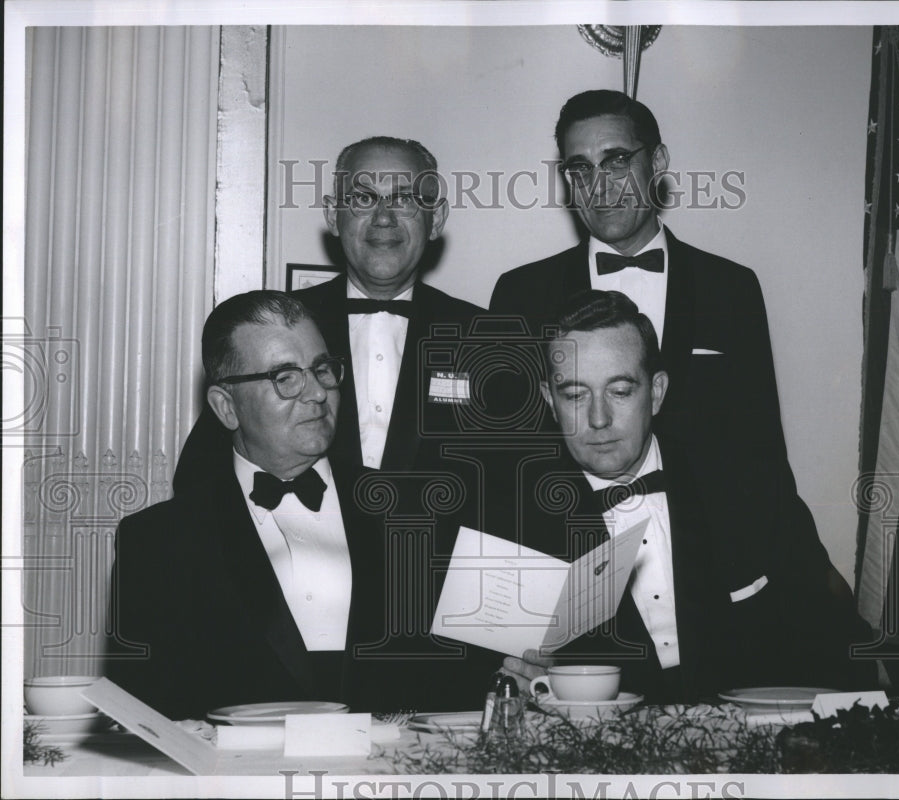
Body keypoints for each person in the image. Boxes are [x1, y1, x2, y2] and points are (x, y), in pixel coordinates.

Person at [170, 137, 496, 708]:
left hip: (445, 660)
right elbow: (203, 482)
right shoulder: (279, 330)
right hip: (282, 659)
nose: (385, 216)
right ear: (332, 213)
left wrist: (506, 635)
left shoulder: (487, 338)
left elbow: (512, 494)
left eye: (406, 198)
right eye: (364, 195)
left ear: (437, 216)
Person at [498, 291, 875, 703]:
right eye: (575, 395)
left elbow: (833, 632)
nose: (599, 419)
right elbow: (481, 679)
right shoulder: (513, 519)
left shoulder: (746, 483)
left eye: (620, 391)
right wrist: (510, 678)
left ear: (657, 391)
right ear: (549, 401)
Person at [107, 291, 382, 718]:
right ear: (226, 407)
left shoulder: (411, 513)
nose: (317, 393)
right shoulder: (157, 543)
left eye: (321, 369)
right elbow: (144, 716)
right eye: (285, 377)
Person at [490, 89, 786, 458]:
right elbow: (507, 449)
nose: (599, 187)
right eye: (581, 168)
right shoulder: (521, 294)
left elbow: (762, 443)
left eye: (616, 161)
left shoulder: (730, 288)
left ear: (658, 161)